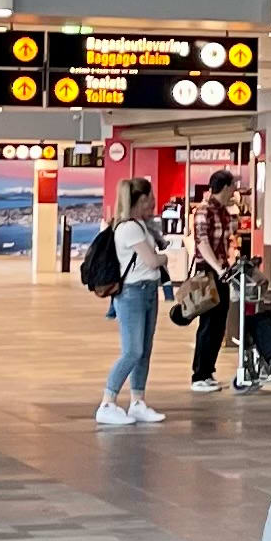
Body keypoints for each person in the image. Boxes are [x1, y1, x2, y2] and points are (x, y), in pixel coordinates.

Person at [95, 178, 167, 426]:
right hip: (133, 294)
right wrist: (166, 257)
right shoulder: (129, 228)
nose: (154, 203)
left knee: (144, 350)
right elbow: (152, 261)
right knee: (133, 350)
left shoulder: (140, 225)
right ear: (141, 200)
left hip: (148, 291)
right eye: (150, 198)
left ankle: (138, 401)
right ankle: (107, 402)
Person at [185, 171, 249, 392]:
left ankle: (208, 371)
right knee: (208, 323)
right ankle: (199, 375)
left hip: (221, 271)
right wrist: (218, 268)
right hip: (207, 271)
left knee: (219, 323)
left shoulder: (224, 211)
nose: (235, 190)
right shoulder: (204, 211)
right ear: (225, 186)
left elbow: (229, 238)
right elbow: (202, 243)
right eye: (233, 186)